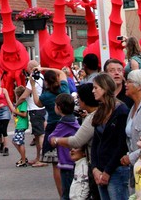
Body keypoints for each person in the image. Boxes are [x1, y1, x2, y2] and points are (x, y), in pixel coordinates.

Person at [51, 82, 100, 200]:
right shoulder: (89, 116)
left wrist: (56, 140)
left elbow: (77, 141)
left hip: (93, 164)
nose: (77, 101)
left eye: (79, 98)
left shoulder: (93, 117)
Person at [90, 73, 130, 200]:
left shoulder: (121, 111)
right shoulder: (101, 110)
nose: (93, 91)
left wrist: (107, 171)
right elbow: (95, 141)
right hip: (101, 168)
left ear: (105, 88)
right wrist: (95, 168)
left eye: (96, 88)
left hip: (116, 169)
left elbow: (121, 145)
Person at [40, 67, 72, 197]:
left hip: (52, 126)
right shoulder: (64, 89)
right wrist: (43, 68)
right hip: (68, 126)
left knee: (56, 165)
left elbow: (37, 102)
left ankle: (61, 194)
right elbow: (62, 72)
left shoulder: (45, 96)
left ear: (46, 82)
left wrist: (32, 83)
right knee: (70, 160)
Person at [51, 93, 80, 199]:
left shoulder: (63, 124)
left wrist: (54, 140)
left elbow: (52, 138)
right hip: (75, 161)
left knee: (67, 193)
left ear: (58, 108)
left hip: (66, 162)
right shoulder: (75, 120)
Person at [21, 65, 47, 166]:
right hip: (39, 109)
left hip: (35, 109)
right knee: (37, 135)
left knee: (40, 135)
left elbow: (25, 95)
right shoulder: (42, 77)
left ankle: (42, 158)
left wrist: (16, 105)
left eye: (28, 69)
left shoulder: (34, 79)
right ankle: (38, 157)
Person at [12, 85, 29, 167]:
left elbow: (24, 114)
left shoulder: (23, 103)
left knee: (19, 142)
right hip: (18, 124)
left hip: (21, 125)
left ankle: (23, 159)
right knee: (15, 141)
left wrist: (15, 112)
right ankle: (23, 157)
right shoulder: (19, 103)